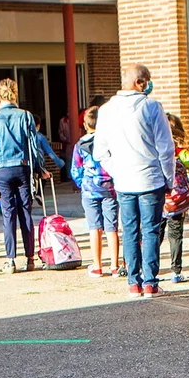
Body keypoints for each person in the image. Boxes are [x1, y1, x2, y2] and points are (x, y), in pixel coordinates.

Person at [94, 63, 177, 297]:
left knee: (129, 231)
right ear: (140, 82)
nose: (149, 85)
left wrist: (116, 171)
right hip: (150, 179)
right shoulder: (152, 107)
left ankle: (133, 282)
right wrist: (168, 178)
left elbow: (100, 151)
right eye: (147, 80)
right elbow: (165, 148)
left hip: (124, 181)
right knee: (150, 231)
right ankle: (150, 282)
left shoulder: (107, 110)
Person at [0, 78, 46, 274]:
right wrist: (38, 168)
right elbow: (33, 146)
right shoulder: (26, 116)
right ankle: (29, 258)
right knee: (25, 212)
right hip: (22, 166)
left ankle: (10, 259)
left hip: (1, 169)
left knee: (8, 213)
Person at [70, 104, 121, 277]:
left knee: (94, 227)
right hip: (109, 188)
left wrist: (83, 184)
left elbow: (75, 170)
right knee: (111, 227)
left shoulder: (80, 145)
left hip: (90, 189)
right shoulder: (110, 142)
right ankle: (115, 266)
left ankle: (97, 266)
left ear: (85, 124)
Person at [161, 113, 189, 284]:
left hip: (160, 200)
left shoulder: (157, 152)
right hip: (178, 201)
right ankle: (176, 271)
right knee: (176, 235)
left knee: (154, 234)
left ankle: (150, 269)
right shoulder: (182, 153)